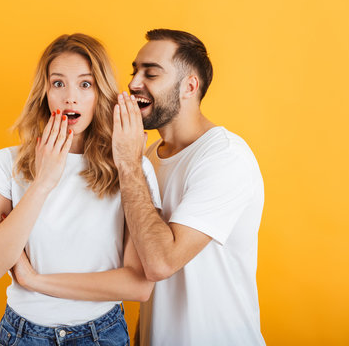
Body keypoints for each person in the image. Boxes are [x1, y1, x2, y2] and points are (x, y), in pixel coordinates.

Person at [0, 33, 161, 346]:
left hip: (101, 335)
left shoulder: (130, 168)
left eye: (85, 84)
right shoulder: (6, 163)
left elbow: (137, 286)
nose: (70, 97)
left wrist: (34, 281)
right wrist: (43, 183)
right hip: (23, 335)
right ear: (44, 91)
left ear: (100, 92)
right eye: (58, 83)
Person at [111, 29, 266, 345]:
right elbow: (145, 268)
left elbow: (162, 262)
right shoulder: (148, 157)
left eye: (150, 73)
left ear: (190, 86)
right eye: (134, 71)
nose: (133, 83)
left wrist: (127, 165)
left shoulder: (225, 156)